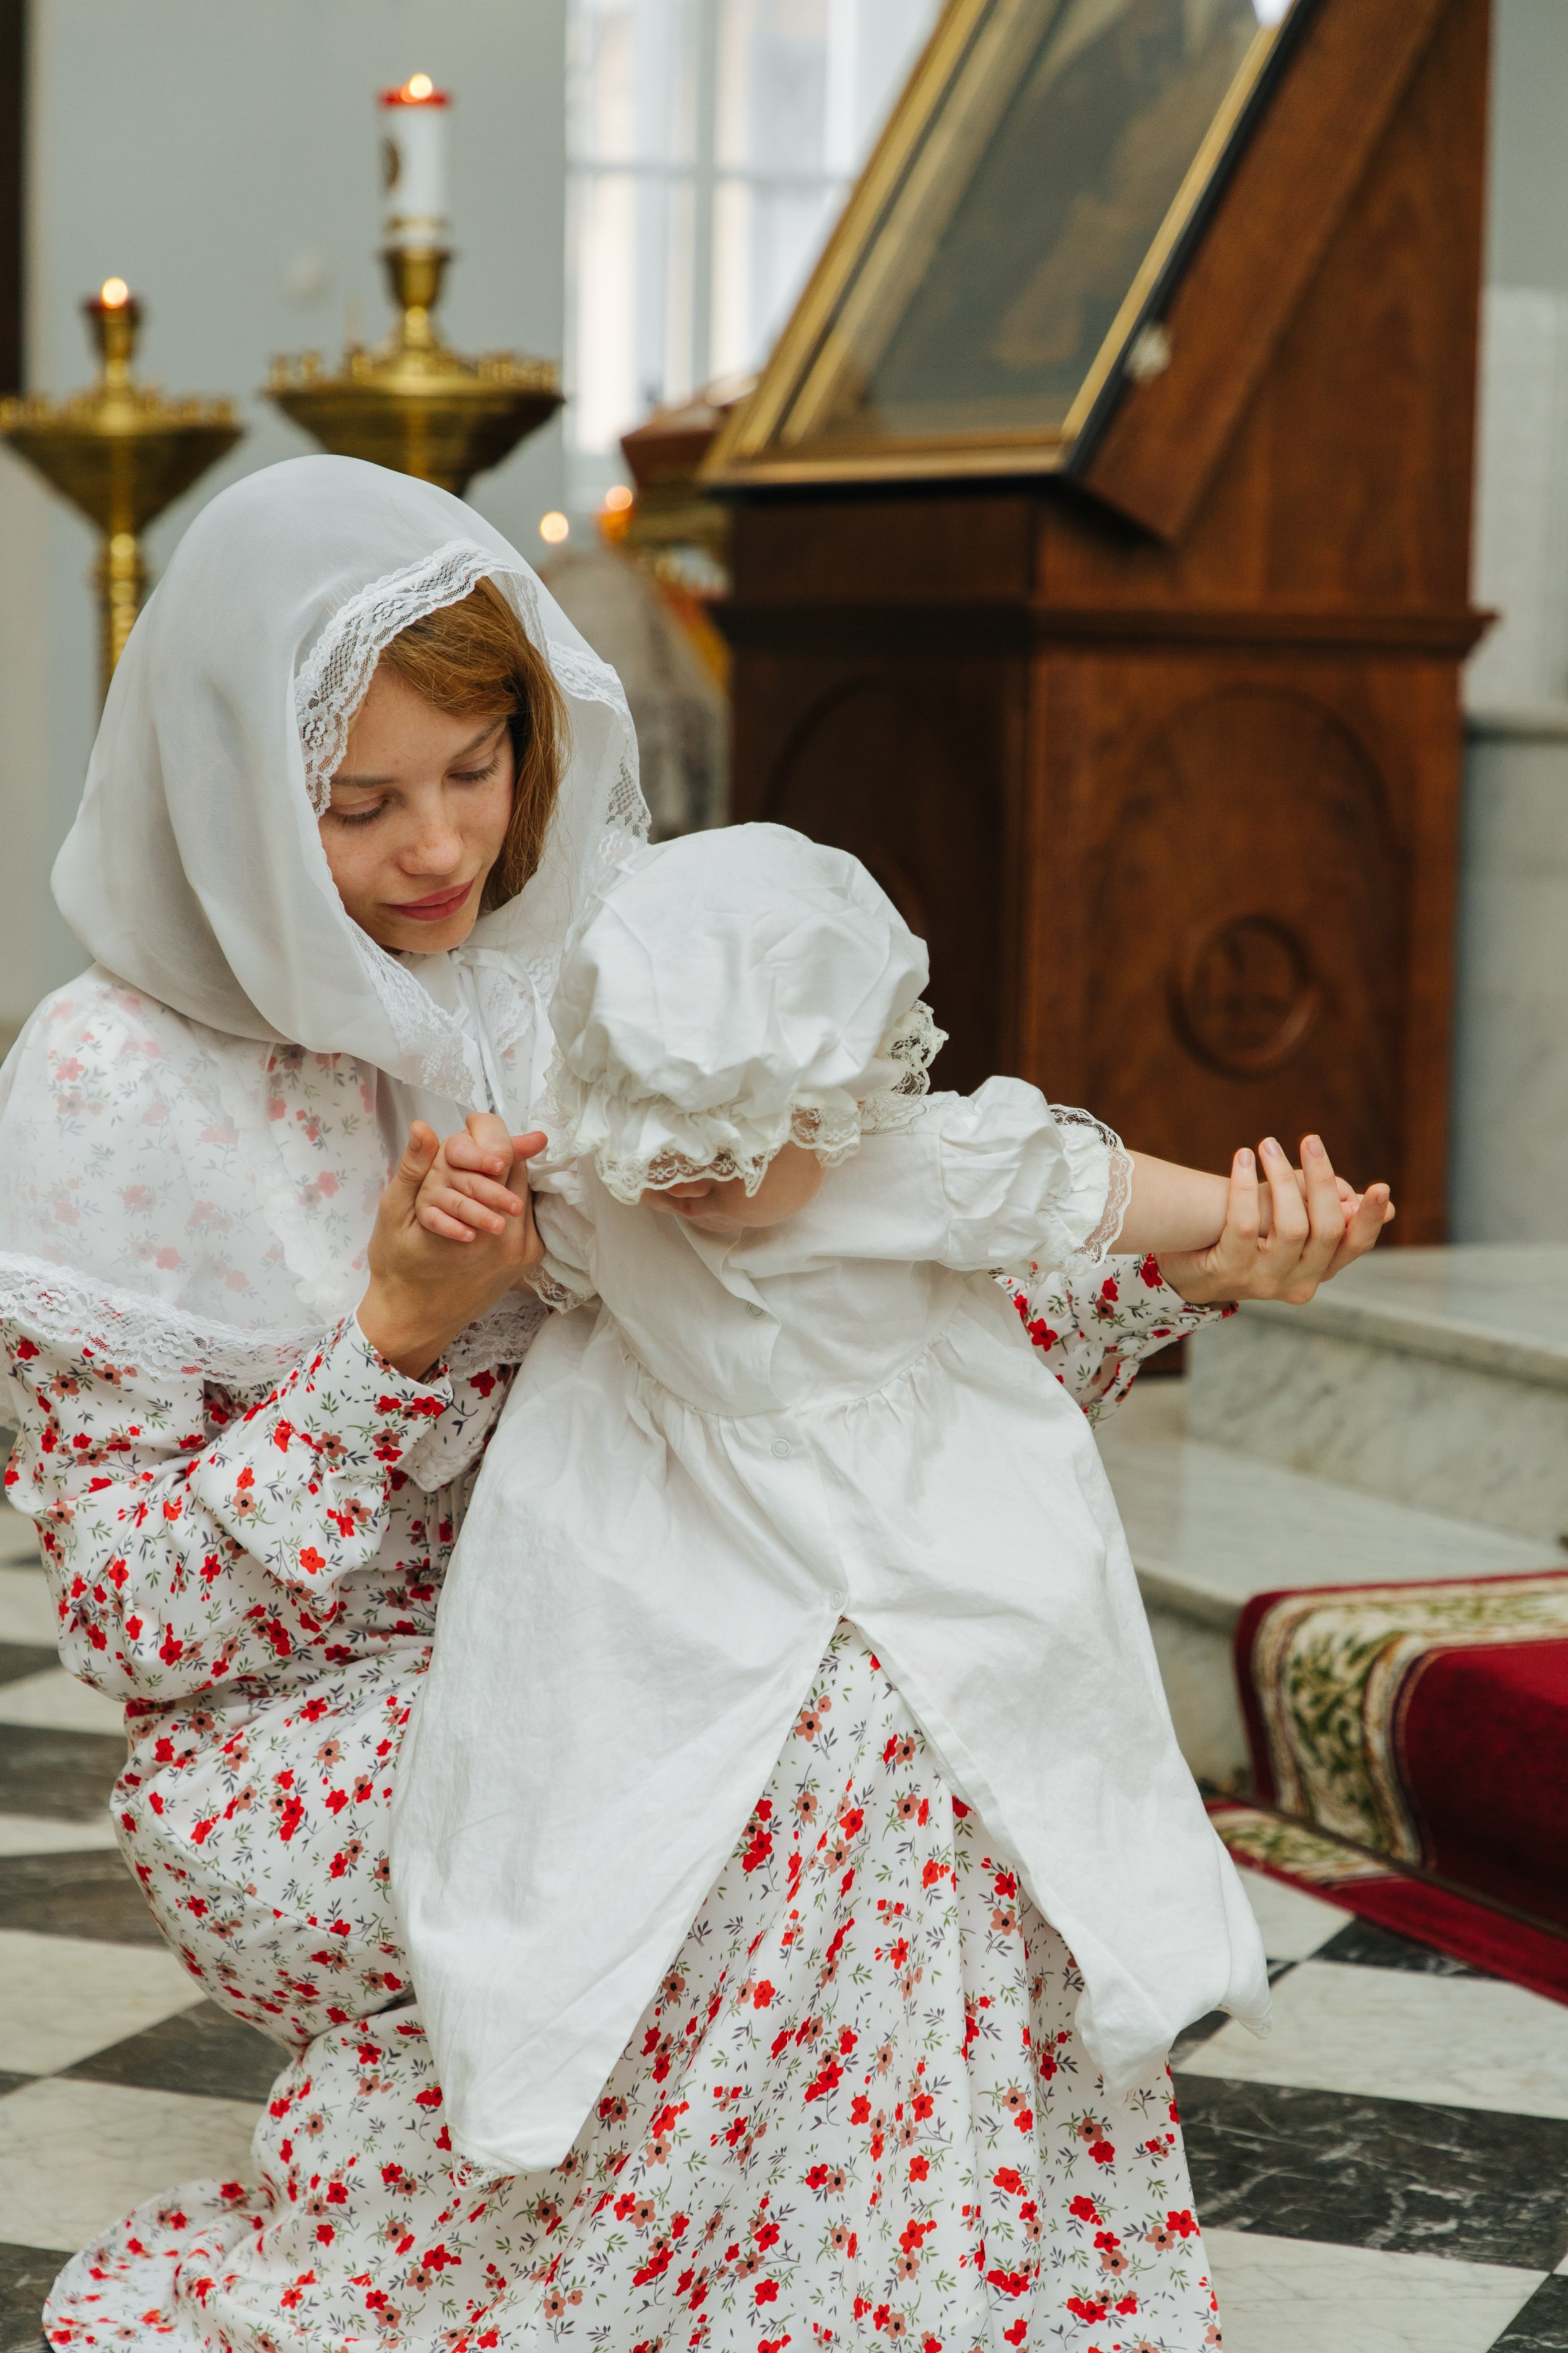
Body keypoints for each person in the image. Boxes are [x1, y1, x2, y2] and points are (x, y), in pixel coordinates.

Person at [0, 453, 1382, 2353]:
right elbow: (131, 1622)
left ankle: (891, 2299)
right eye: (358, 803)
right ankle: (637, 2296)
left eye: (480, 767)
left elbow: (846, 1337)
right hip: (307, 1717)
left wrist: (1195, 1256)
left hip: (658, 1585)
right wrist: (391, 1337)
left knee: (920, 1675)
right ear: (232, 790)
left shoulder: (577, 970)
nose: (439, 852)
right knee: (798, 1745)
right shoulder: (109, 1086)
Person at [392, 822, 1390, 2185]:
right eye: (665, 1149)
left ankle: (1082, 1999)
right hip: (665, 1516)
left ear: (843, 1097)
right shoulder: (602, 1177)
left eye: (739, 1151)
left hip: (929, 1496)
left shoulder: (918, 1157)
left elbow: (1104, 1194)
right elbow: (501, 1228)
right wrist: (455, 1217)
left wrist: (1273, 1216)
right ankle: (564, 2080)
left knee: (1024, 1700)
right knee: (582, 1770)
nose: (691, 1184)